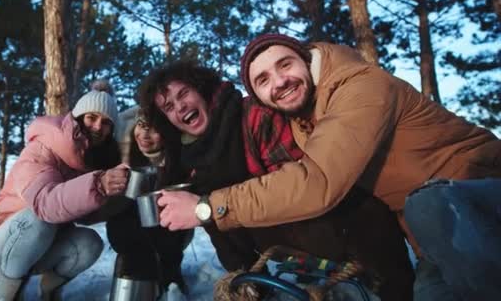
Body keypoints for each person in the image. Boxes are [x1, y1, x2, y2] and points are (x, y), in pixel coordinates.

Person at [157, 34, 501, 300]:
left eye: (285, 65)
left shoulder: (360, 86)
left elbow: (317, 180)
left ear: (307, 61)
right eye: (263, 80)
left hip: (480, 196)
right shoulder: (300, 123)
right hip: (434, 245)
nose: (279, 82)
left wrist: (207, 207)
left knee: (428, 204)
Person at [139, 61, 415, 300]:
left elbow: (300, 187)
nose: (180, 106)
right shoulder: (189, 157)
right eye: (168, 107)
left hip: (330, 219)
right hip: (270, 233)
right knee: (208, 207)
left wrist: (212, 206)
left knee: (369, 219)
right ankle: (251, 286)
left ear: (201, 89)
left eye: (183, 93)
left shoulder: (252, 116)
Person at [0, 86, 129, 301]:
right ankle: (4, 296)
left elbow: (83, 214)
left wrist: (123, 197)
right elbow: (46, 204)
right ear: (78, 118)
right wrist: (99, 184)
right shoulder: (42, 149)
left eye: (107, 122)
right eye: (92, 117)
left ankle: (49, 290)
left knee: (90, 244)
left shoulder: (87, 161)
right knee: (39, 219)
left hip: (41, 246)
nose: (98, 126)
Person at [106, 112, 192, 296]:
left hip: (170, 228)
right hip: (132, 232)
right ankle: (135, 270)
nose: (144, 134)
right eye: (140, 125)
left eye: (154, 129)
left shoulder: (181, 159)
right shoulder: (123, 157)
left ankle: (170, 272)